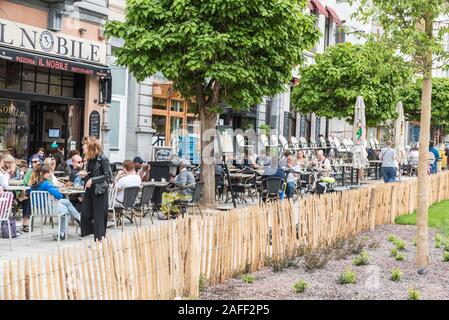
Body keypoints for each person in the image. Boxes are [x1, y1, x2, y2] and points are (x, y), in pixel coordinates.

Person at [30, 164, 80, 240]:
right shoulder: (46, 184)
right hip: (49, 209)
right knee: (64, 208)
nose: (50, 173)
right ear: (42, 173)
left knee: (65, 202)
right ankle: (65, 231)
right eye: (48, 172)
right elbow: (59, 195)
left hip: (37, 210)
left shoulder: (32, 184)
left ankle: (79, 219)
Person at [80, 137, 112, 241]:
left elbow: (107, 175)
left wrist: (92, 180)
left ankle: (99, 238)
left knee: (99, 216)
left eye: (84, 145)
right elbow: (91, 173)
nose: (82, 147)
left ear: (90, 147)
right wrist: (85, 175)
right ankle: (93, 233)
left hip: (100, 191)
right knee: (85, 213)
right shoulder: (89, 159)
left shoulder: (102, 158)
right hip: (90, 190)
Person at [19, 155, 45, 232]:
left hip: (41, 197)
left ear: (40, 163)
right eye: (32, 162)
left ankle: (25, 223)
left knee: (28, 198)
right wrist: (25, 189)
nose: (34, 163)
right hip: (30, 196)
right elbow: (24, 183)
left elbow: (47, 184)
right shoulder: (29, 172)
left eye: (36, 162)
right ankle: (25, 223)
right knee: (27, 200)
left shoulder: (44, 172)